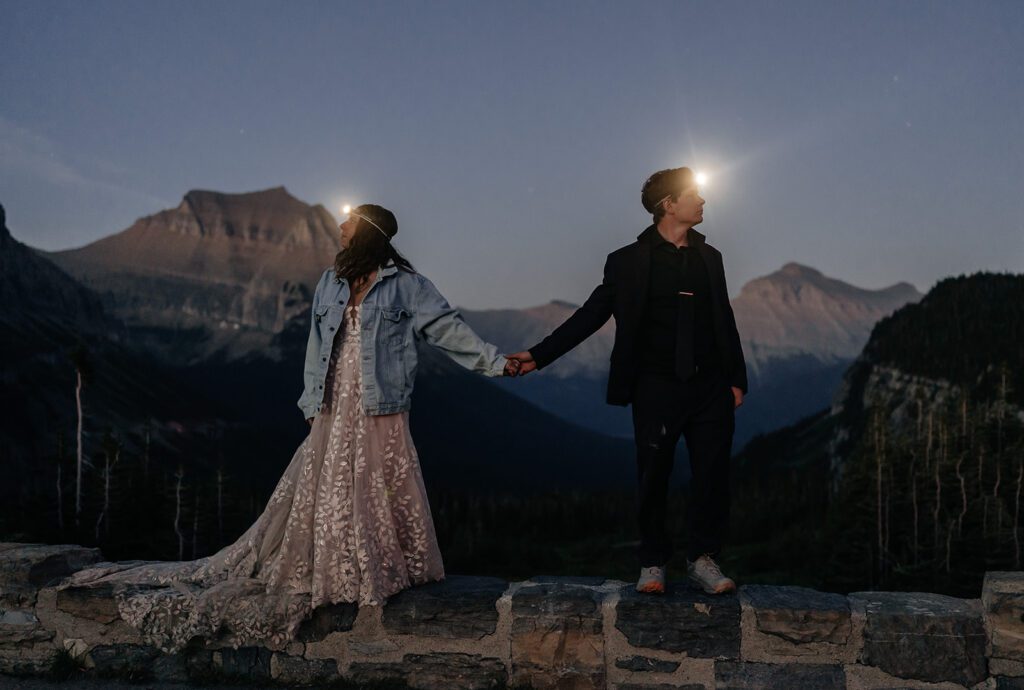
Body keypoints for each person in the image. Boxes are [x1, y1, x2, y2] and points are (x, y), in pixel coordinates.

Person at [59, 203, 520, 653]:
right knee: (330, 483)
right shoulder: (331, 282)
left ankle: (376, 567)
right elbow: (317, 344)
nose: (340, 227)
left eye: (349, 221)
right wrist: (309, 399)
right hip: (333, 402)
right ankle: (335, 568)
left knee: (376, 480)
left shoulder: (408, 287)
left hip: (380, 404)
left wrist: (498, 363)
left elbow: (448, 330)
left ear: (367, 232)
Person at [509, 167, 747, 596]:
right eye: (694, 194)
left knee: (712, 473)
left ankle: (702, 559)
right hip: (655, 385)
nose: (703, 201)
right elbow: (591, 315)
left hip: (710, 385)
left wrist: (737, 379)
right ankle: (653, 562)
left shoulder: (711, 259)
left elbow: (723, 320)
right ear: (669, 205)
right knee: (653, 472)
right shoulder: (627, 261)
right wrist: (538, 356)